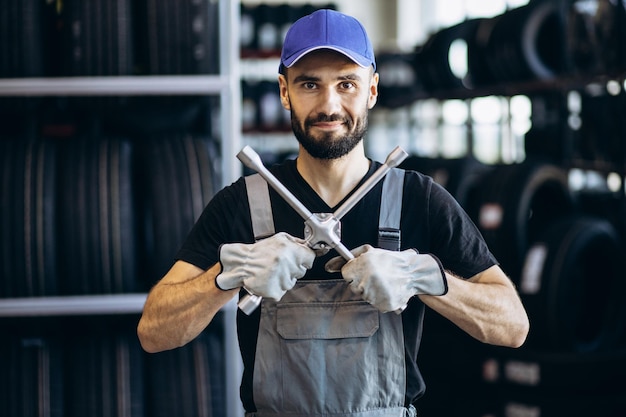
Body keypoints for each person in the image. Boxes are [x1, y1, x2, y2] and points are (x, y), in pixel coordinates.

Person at [137, 8, 529, 417]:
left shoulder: (418, 199)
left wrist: (424, 277)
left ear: (372, 90)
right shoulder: (242, 203)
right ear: (284, 92)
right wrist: (225, 278)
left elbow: (512, 326)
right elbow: (153, 332)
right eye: (310, 84)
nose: (329, 105)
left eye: (347, 84)